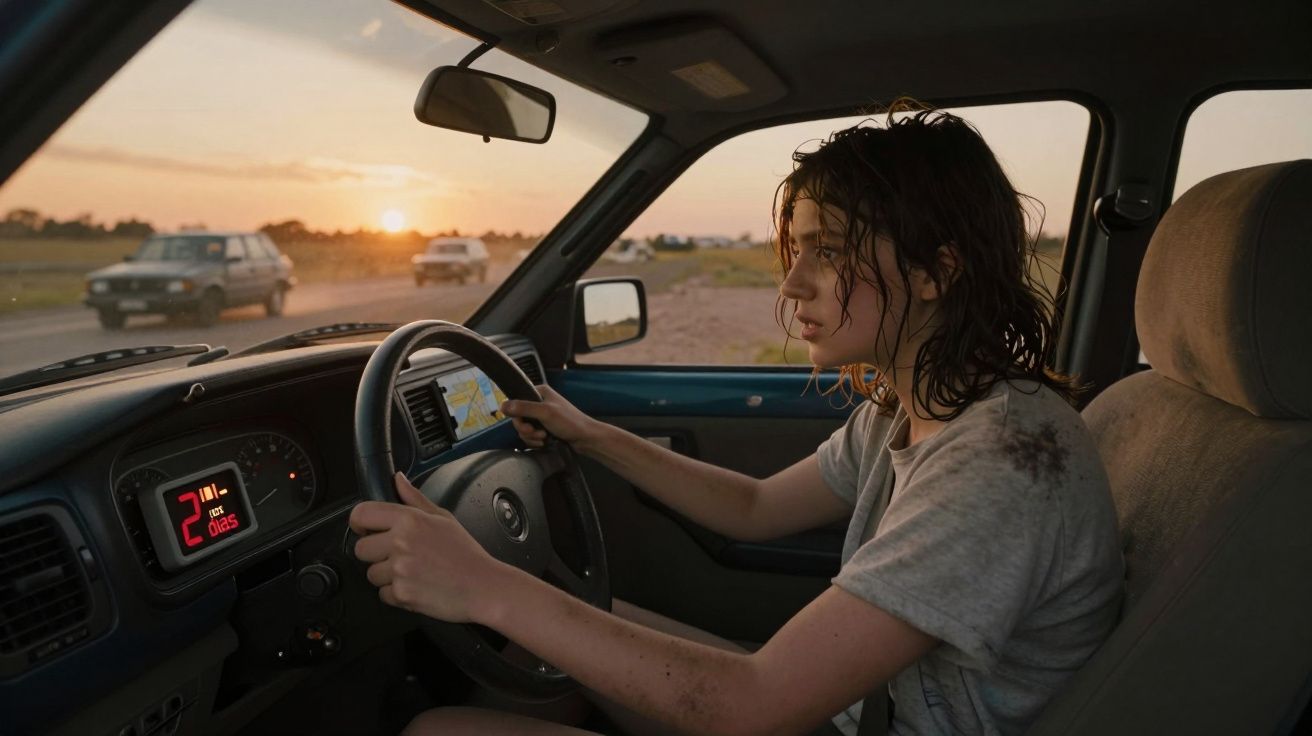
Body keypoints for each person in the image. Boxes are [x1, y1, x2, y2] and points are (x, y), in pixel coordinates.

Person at [348, 104, 1125, 736]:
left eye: (827, 251)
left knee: (440, 731)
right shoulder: (911, 411)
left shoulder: (999, 461)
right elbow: (752, 510)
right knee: (543, 634)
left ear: (933, 271)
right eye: (797, 250)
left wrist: (481, 584)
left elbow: (752, 704)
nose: (792, 284)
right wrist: (588, 433)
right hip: (859, 712)